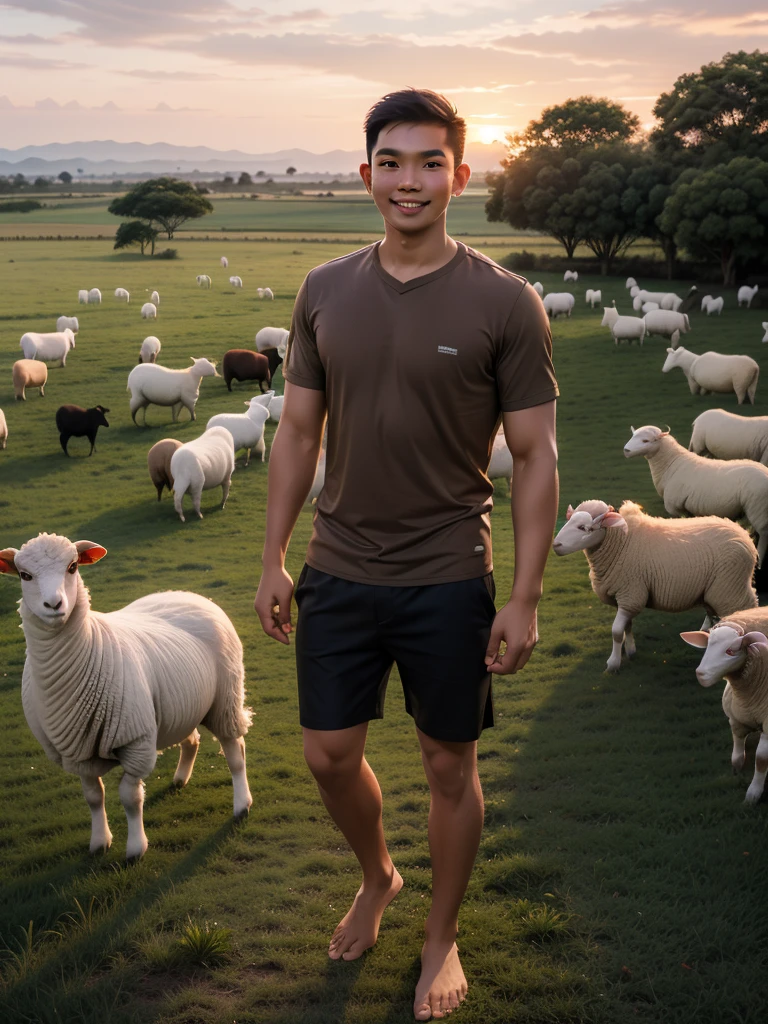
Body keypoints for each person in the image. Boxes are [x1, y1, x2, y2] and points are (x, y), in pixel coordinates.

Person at [254, 87, 559, 1021]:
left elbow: (537, 456)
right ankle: (379, 875)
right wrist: (273, 556)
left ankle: (440, 938)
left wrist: (526, 596)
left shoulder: (506, 302)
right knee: (326, 755)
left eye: (431, 162)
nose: (410, 180)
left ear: (460, 176)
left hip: (448, 574)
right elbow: (297, 433)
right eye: (392, 161)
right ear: (367, 174)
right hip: (338, 565)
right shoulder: (324, 290)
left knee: (447, 768)